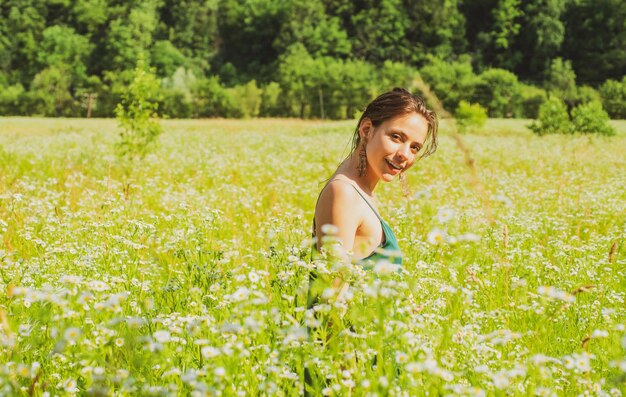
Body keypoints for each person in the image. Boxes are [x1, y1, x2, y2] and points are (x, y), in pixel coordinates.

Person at [312, 87, 438, 268]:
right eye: (396, 137)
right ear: (366, 129)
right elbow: (331, 290)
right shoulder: (344, 193)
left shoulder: (360, 189)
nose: (405, 154)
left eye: (414, 147)